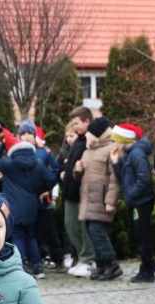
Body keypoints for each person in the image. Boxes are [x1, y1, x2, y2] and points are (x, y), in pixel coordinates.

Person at [0, 137, 54, 278]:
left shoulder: (9, 164)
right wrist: (39, 189)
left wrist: (3, 143)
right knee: (31, 236)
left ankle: (20, 267)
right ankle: (38, 267)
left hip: (14, 206)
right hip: (31, 205)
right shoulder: (39, 164)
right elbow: (50, 180)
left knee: (17, 236)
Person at [74, 116, 123, 281]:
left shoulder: (111, 149)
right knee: (92, 233)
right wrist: (78, 170)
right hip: (88, 199)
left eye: (89, 133)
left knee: (97, 232)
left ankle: (112, 265)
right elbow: (79, 177)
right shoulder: (88, 151)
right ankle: (101, 265)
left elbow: (115, 178)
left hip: (101, 199)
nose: (86, 135)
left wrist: (111, 201)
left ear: (97, 134)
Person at [111, 123, 155, 282]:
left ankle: (148, 270)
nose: (114, 144)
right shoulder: (128, 154)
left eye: (115, 140)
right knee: (138, 235)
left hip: (141, 201)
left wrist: (131, 196)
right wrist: (116, 162)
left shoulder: (136, 154)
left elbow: (144, 178)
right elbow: (124, 178)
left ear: (124, 139)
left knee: (141, 235)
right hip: (136, 201)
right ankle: (148, 265)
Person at [19, 120, 64, 271]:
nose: (26, 136)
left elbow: (56, 169)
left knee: (48, 229)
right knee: (31, 232)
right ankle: (34, 259)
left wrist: (48, 189)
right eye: (23, 133)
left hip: (43, 199)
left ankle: (58, 259)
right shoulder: (15, 152)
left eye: (29, 133)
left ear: (34, 135)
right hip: (26, 200)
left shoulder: (43, 152)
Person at [62, 107, 96, 277]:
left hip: (83, 192)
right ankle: (82, 257)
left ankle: (88, 259)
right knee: (71, 225)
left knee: (84, 228)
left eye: (77, 123)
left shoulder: (91, 140)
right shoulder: (80, 140)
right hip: (71, 191)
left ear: (86, 122)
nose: (74, 127)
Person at [57, 127, 79, 268]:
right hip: (67, 192)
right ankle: (68, 253)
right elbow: (57, 169)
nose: (69, 138)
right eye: (67, 136)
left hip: (79, 191)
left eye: (72, 135)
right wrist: (60, 176)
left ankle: (80, 254)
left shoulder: (81, 149)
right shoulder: (63, 153)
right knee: (68, 225)